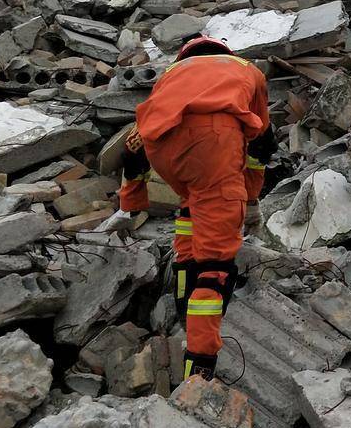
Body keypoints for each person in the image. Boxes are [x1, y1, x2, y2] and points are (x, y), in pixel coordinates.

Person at [109, 35, 276, 381]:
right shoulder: (248, 70)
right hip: (214, 143)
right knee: (216, 267)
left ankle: (183, 297)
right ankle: (198, 372)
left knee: (193, 205)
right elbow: (262, 140)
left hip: (165, 152)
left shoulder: (171, 76)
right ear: (224, 52)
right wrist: (250, 197)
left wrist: (130, 204)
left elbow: (132, 147)